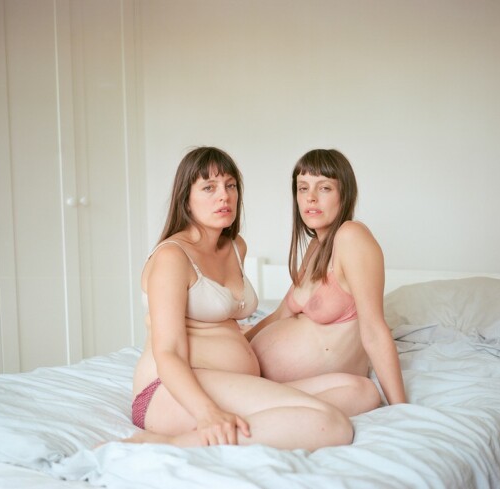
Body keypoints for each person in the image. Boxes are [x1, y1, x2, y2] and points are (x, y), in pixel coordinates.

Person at [123, 146, 354, 450]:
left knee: (360, 390)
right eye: (209, 187)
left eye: (230, 185)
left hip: (230, 383)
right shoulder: (172, 257)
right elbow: (168, 351)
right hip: (174, 391)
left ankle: (269, 416)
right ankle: (171, 443)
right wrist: (207, 413)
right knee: (332, 425)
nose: (224, 196)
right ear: (186, 199)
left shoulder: (235, 247)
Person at [246, 149, 407, 410]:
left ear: (344, 193)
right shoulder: (315, 247)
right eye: (302, 188)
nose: (310, 197)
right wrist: (240, 346)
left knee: (367, 394)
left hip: (320, 385)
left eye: (324, 188)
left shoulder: (352, 237)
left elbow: (374, 331)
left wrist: (402, 409)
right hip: (264, 378)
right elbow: (280, 315)